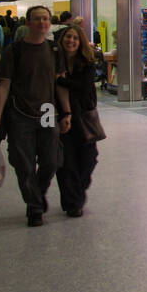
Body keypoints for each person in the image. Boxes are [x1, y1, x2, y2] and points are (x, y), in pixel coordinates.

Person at [0, 5, 63, 227]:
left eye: (45, 19)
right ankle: (35, 207)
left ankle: (36, 195)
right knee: (24, 163)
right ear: (28, 23)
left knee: (51, 161)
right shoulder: (14, 51)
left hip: (48, 112)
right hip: (20, 114)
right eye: (37, 19)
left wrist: (66, 113)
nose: (42, 23)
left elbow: (60, 85)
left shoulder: (54, 50)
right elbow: (3, 85)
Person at [54, 26, 99, 218]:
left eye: (75, 38)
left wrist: (61, 81)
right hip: (59, 117)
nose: (71, 41)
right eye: (68, 37)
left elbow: (83, 87)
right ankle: (72, 202)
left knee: (89, 159)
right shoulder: (54, 63)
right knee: (66, 162)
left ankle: (77, 193)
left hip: (84, 117)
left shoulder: (86, 64)